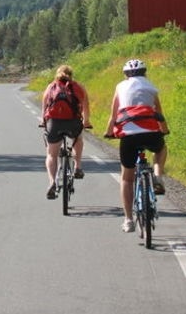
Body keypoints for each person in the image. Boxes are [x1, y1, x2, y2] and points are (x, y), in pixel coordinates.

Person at [103, 58, 169, 232]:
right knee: (161, 149)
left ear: (126, 74)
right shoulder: (150, 86)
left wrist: (109, 132)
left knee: (126, 179)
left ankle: (128, 220)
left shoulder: (120, 86)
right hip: (150, 133)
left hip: (129, 136)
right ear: (144, 73)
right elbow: (159, 113)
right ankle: (157, 176)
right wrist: (164, 130)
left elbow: (114, 115)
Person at [40, 64, 91, 199]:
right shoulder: (78, 87)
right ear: (71, 75)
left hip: (54, 123)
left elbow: (44, 106)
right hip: (73, 122)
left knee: (51, 155)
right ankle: (77, 167)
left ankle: (52, 182)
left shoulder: (51, 87)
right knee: (78, 138)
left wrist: (43, 122)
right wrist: (86, 122)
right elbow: (85, 106)